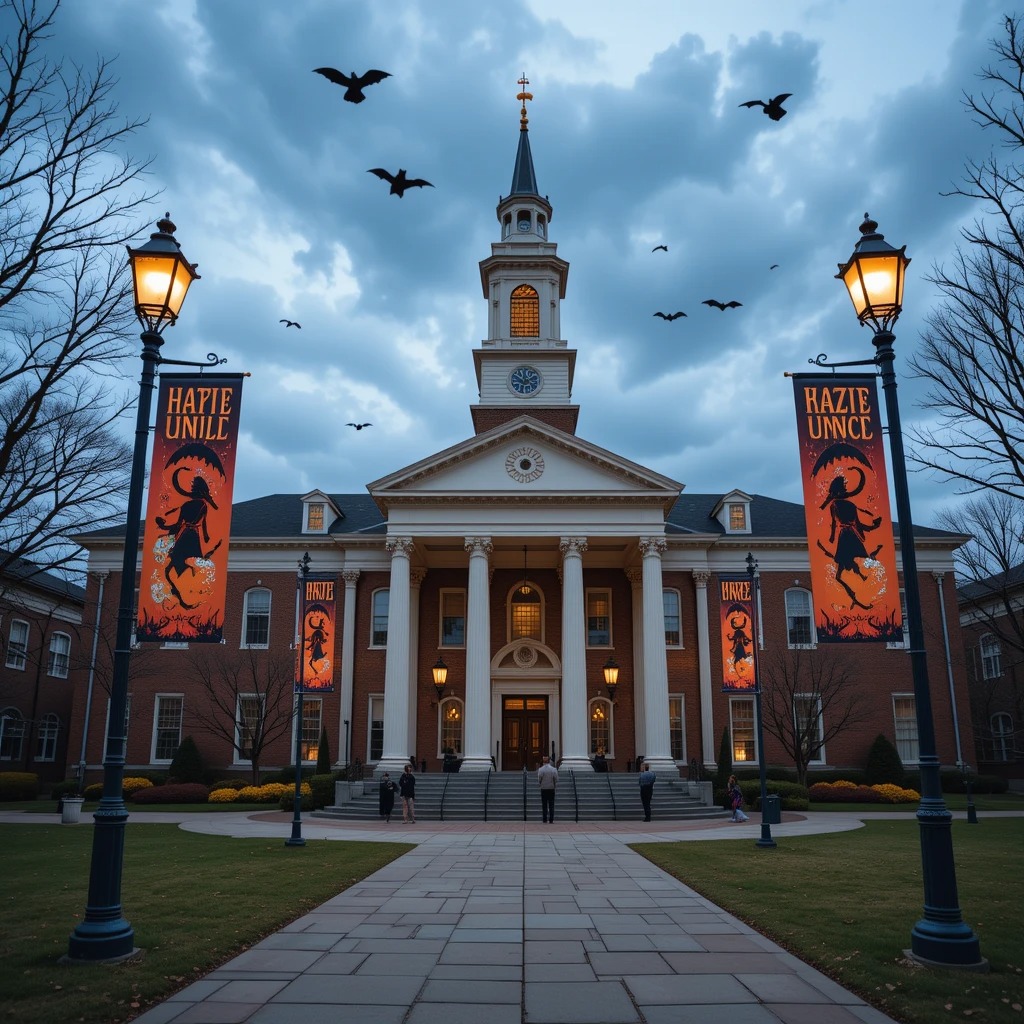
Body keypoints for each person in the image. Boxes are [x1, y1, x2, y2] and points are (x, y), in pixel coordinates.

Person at [537, 755, 558, 823]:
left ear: (543, 761)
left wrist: (541, 784)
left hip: (544, 788)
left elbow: (539, 779)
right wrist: (554, 785)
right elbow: (556, 779)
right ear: (549, 761)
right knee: (551, 804)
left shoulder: (541, 769)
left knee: (544, 804)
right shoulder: (553, 769)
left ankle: (545, 819)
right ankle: (551, 819)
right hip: (551, 788)